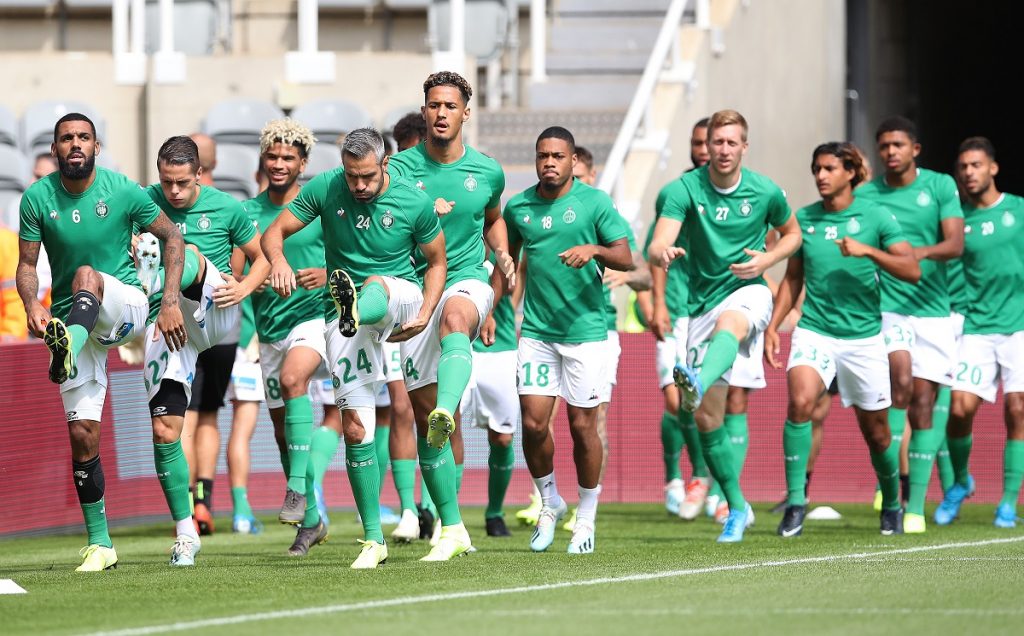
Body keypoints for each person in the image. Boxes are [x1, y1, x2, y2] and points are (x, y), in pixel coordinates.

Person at [263, 127, 447, 568]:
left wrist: (425, 310)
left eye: (366, 176)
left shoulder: (413, 201)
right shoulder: (328, 186)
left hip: (398, 298)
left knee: (375, 284)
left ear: (385, 164)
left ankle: (357, 305)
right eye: (352, 177)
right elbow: (275, 231)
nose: (359, 185)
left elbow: (437, 261)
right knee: (355, 430)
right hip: (342, 322)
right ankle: (372, 540)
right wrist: (280, 260)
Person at [16, 113, 186, 571]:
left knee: (87, 276)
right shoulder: (35, 198)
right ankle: (101, 544)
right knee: (81, 433)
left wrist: (169, 300)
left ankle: (65, 343)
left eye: (83, 137)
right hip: (75, 315)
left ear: (97, 146)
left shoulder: (122, 190)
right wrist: (33, 304)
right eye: (66, 138)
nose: (75, 144)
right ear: (54, 149)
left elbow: (172, 237)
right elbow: (28, 265)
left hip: (123, 306)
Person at [649, 109, 801, 543]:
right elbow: (661, 238)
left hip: (748, 290)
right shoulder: (682, 189)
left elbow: (792, 235)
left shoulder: (765, 190)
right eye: (718, 142)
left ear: (744, 147)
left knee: (730, 327)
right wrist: (664, 252)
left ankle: (697, 377)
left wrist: (768, 260)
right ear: (707, 145)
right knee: (706, 421)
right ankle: (736, 506)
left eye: (732, 142)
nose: (724, 149)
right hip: (700, 304)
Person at [387, 71, 516, 556]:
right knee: (432, 426)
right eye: (433, 105)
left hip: (465, 276)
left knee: (456, 319)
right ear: (424, 112)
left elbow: (493, 218)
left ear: (466, 113)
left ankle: (447, 405)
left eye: (449, 106)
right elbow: (383, 222)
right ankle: (453, 527)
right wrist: (422, 215)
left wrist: (501, 256)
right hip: (413, 290)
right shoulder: (398, 170)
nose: (441, 113)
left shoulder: (487, 170)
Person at [767, 141, 920, 537]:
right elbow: (793, 278)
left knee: (878, 433)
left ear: (850, 173)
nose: (820, 176)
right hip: (815, 330)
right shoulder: (804, 219)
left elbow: (911, 269)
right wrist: (772, 325)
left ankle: (891, 503)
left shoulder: (876, 216)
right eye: (816, 169)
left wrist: (869, 251)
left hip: (864, 339)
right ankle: (796, 502)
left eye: (829, 168)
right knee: (800, 402)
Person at [140, 135, 270, 565]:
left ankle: (217, 498)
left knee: (184, 249)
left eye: (181, 183)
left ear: (199, 174)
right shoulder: (144, 201)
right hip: (169, 321)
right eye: (166, 182)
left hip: (215, 313)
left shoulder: (227, 207)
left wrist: (245, 287)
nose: (173, 192)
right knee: (166, 429)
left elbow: (263, 258)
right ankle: (186, 532)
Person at [505, 126, 634, 554]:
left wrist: (594, 250)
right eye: (543, 155)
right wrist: (494, 309)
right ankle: (549, 502)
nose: (549, 163)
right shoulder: (519, 207)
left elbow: (625, 256)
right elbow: (508, 260)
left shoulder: (594, 202)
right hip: (538, 332)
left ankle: (587, 517)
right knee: (533, 423)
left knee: (583, 427)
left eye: (558, 156)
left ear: (573, 160)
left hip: (585, 334)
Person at [856, 116, 963, 533]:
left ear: (915, 149)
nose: (890, 152)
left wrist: (911, 256)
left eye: (898, 145)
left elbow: (955, 244)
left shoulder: (939, 187)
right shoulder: (866, 195)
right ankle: (890, 489)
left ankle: (915, 504)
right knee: (898, 382)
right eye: (883, 146)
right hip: (888, 308)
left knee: (922, 404)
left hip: (934, 310)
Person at [243, 119, 343, 541]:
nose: (280, 163)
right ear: (262, 160)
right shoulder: (248, 212)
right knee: (284, 435)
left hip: (315, 318)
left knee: (293, 379)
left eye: (289, 157)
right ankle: (313, 519)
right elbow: (237, 269)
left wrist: (327, 272)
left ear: (303, 162)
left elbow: (352, 254)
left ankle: (298, 489)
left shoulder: (318, 207)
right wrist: (253, 280)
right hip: (269, 329)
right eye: (273, 156)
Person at [936, 137, 1024, 528]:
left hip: (1019, 327)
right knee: (959, 409)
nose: (968, 172)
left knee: (1017, 409)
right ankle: (960, 481)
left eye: (976, 165)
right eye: (963, 167)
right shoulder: (958, 223)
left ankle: (1007, 501)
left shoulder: (1019, 210)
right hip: (977, 329)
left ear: (993, 168)